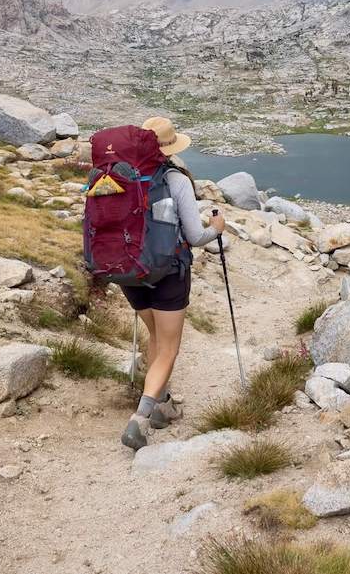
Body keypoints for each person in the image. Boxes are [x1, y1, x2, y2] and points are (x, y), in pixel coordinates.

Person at [120, 116, 225, 450]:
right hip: (167, 272)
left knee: (155, 337)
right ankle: (140, 419)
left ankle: (162, 406)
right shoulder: (175, 179)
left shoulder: (119, 174)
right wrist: (217, 230)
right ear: (167, 148)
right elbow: (194, 236)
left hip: (129, 273)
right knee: (168, 347)